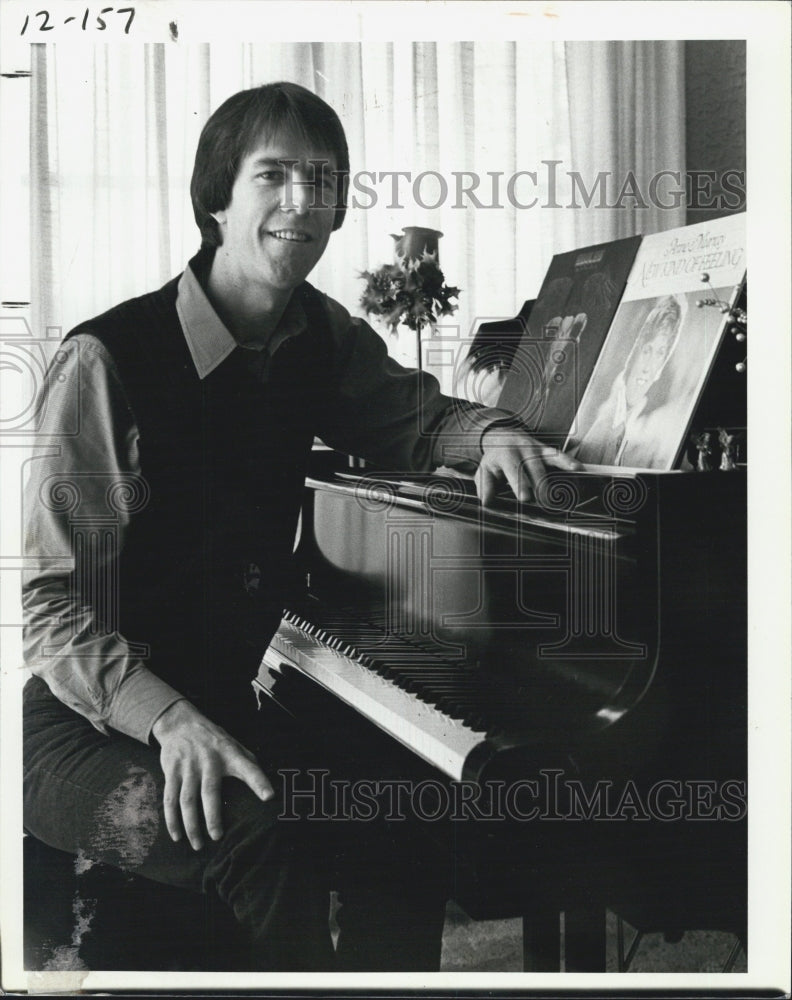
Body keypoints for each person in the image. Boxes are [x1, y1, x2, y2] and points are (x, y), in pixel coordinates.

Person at [22, 82, 578, 972]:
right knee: (258, 839)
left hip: (221, 700)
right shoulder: (106, 359)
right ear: (216, 199)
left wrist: (497, 429)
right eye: (273, 175)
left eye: (322, 180)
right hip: (82, 726)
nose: (302, 201)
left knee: (408, 806)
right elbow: (52, 606)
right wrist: (170, 722)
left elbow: (419, 417)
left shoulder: (319, 335)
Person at [569, 294, 685, 467]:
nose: (648, 367)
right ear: (632, 353)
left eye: (660, 354)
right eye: (646, 350)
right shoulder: (600, 413)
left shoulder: (651, 438)